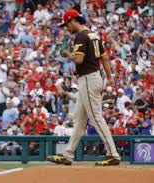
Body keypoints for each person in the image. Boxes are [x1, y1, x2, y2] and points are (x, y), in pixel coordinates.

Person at [47, 9, 120, 166]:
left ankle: (113, 154)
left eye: (66, 24)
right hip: (92, 78)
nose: (66, 27)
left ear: (73, 20)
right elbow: (105, 57)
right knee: (78, 120)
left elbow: (79, 59)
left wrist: (68, 54)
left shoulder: (81, 36)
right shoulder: (93, 35)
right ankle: (68, 154)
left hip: (88, 79)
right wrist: (109, 78)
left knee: (96, 118)